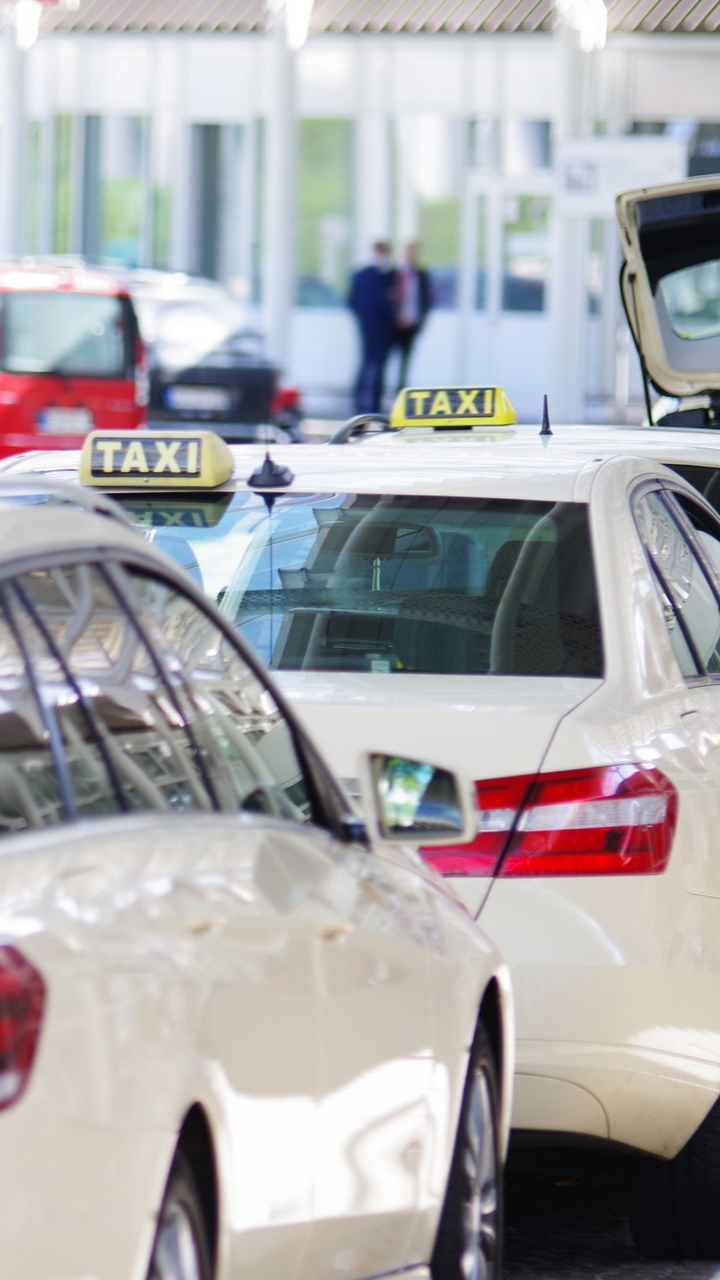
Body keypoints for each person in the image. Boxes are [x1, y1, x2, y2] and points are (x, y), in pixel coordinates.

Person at [348, 241, 397, 415]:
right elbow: (353, 301)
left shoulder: (388, 275)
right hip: (373, 327)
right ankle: (362, 401)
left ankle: (370, 402)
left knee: (375, 364)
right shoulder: (371, 275)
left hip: (380, 328)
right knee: (370, 363)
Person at [392, 242, 432, 392]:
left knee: (406, 360)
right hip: (393, 325)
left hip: (411, 324)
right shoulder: (394, 273)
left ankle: (400, 391)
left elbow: (426, 300)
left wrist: (419, 322)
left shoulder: (421, 274)